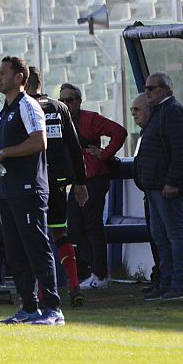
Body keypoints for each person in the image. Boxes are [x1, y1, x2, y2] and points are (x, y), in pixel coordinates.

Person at [0, 55, 64, 326]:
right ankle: (28, 307)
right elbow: (0, 143)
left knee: (36, 247)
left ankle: (53, 308)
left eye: (3, 72)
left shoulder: (29, 106)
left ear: (19, 78)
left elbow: (40, 142)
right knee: (15, 251)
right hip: (10, 189)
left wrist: (1, 153)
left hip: (29, 188)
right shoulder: (6, 110)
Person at [25, 68, 88, 307]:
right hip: (58, 181)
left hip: (32, 181)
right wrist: (81, 182)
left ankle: (42, 294)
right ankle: (74, 285)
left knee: (35, 237)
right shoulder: (60, 108)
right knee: (60, 233)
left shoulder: (25, 107)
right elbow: (74, 147)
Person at [59, 82, 127, 290]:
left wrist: (105, 154)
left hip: (94, 179)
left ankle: (100, 274)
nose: (65, 104)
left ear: (78, 101)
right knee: (75, 229)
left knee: (92, 226)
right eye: (62, 100)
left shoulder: (90, 119)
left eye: (69, 100)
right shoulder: (61, 121)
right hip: (79, 181)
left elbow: (120, 132)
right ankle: (96, 271)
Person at [134, 72, 183, 302]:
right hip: (154, 185)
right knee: (161, 236)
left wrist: (173, 182)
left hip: (165, 186)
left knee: (175, 235)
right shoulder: (160, 113)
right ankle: (166, 282)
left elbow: (181, 151)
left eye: (151, 88)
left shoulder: (173, 112)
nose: (147, 92)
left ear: (165, 90)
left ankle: (180, 284)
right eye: (146, 88)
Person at [130, 93, 161, 291]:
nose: (133, 113)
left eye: (137, 109)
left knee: (163, 236)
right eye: (132, 110)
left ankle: (168, 278)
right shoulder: (144, 134)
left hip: (157, 190)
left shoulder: (154, 132)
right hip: (149, 192)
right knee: (155, 235)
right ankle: (160, 275)